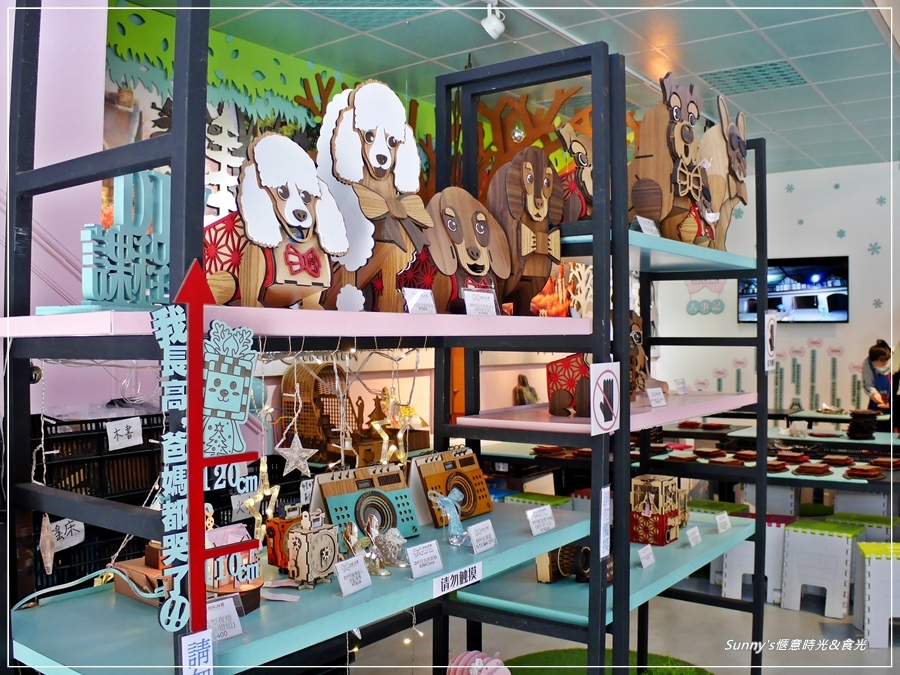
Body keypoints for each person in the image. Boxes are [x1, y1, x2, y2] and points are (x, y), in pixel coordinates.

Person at [861, 339, 891, 431]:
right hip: (876, 406)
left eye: (885, 361)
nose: (884, 364)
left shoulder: (897, 360)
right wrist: (874, 394)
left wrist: (892, 403)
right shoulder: (867, 363)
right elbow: (868, 384)